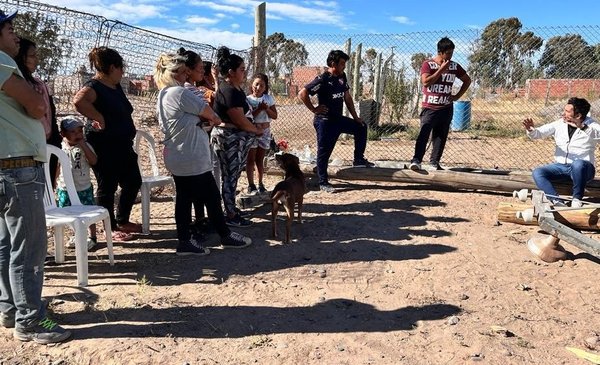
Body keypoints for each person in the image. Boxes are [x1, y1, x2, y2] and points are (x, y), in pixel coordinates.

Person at [0, 8, 71, 344]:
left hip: (7, 167)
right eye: (10, 29)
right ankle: (30, 320)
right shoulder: (1, 62)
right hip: (17, 168)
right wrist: (35, 104)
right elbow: (36, 105)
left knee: (7, 244)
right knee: (29, 247)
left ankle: (12, 309)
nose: (15, 35)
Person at [154, 50, 252, 254]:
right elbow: (214, 117)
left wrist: (200, 120)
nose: (185, 76)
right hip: (190, 155)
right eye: (182, 73)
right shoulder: (179, 93)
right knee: (210, 195)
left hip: (179, 154)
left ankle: (187, 241)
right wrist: (202, 120)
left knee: (186, 198)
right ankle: (223, 235)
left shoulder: (163, 93)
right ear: (175, 73)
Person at [73, 47, 142, 242]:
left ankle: (122, 220)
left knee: (132, 181)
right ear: (113, 67)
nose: (123, 73)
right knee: (107, 186)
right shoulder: (95, 86)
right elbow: (78, 101)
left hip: (122, 144)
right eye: (121, 68)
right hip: (105, 145)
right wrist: (98, 117)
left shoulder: (115, 85)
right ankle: (109, 227)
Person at [298, 49, 374, 193]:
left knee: (361, 127)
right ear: (333, 63)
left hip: (338, 120)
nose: (344, 67)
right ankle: (323, 182)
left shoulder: (342, 77)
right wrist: (314, 109)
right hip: (325, 122)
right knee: (324, 152)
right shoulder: (322, 79)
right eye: (342, 64)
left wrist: (356, 117)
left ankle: (358, 159)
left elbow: (347, 98)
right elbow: (302, 93)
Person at [212, 46, 263, 227]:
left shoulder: (235, 89)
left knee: (233, 176)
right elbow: (239, 120)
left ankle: (231, 208)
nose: (245, 72)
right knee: (230, 176)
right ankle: (231, 215)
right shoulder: (229, 91)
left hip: (237, 139)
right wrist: (256, 130)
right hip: (229, 139)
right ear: (232, 72)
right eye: (242, 69)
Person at [523, 97, 600, 207]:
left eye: (567, 111)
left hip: (584, 170)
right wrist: (531, 129)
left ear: (578, 115)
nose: (563, 113)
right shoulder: (560, 123)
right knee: (538, 172)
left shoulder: (591, 125)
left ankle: (577, 199)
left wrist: (582, 127)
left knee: (578, 164)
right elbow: (539, 133)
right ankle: (557, 201)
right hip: (562, 167)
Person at [409, 37, 471, 171]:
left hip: (446, 108)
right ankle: (416, 160)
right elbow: (426, 82)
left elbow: (467, 80)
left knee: (440, 136)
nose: (450, 56)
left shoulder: (454, 66)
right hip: (429, 107)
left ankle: (434, 162)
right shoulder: (428, 64)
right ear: (440, 52)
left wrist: (457, 96)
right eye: (448, 53)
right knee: (424, 134)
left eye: (452, 53)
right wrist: (441, 70)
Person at [14, 37, 62, 188]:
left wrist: (55, 143)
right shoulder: (15, 84)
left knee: (47, 190)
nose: (37, 60)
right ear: (21, 58)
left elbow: (51, 116)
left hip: (48, 145)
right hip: (27, 150)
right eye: (32, 56)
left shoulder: (40, 84)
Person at [56, 116, 98, 250]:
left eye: (79, 131)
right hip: (65, 188)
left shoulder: (85, 146)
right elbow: (56, 167)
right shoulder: (60, 148)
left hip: (83, 186)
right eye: (73, 132)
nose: (77, 135)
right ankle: (77, 234)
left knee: (88, 211)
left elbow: (93, 161)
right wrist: (54, 182)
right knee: (67, 212)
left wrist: (84, 146)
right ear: (63, 134)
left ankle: (92, 237)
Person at [246, 73, 277, 194]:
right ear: (251, 85)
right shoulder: (248, 99)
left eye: (261, 85)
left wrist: (266, 108)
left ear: (265, 87)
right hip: (252, 131)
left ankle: (260, 183)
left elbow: (275, 116)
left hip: (265, 131)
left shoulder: (268, 99)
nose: (258, 87)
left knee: (260, 159)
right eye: (256, 84)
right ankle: (251, 184)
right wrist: (259, 109)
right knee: (250, 159)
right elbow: (248, 116)